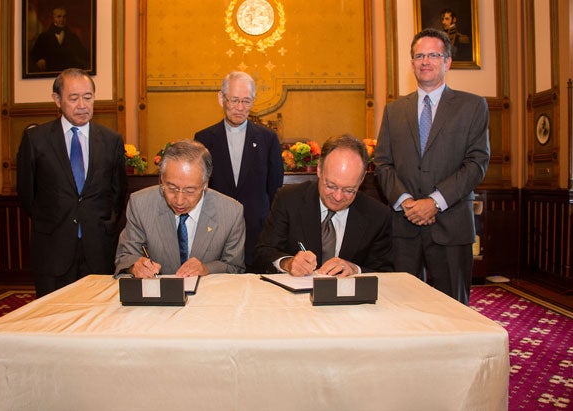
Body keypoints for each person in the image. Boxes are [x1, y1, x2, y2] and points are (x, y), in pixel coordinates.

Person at [374, 28, 490, 305]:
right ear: (412, 63)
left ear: (447, 61)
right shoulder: (394, 110)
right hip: (405, 225)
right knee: (402, 306)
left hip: (451, 225)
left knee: (451, 308)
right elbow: (382, 162)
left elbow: (477, 162)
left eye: (433, 55)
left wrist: (435, 202)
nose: (425, 61)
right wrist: (407, 202)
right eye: (419, 56)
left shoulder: (472, 106)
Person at [16, 68, 127, 297]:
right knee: (52, 319)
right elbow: (27, 194)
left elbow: (118, 194)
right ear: (57, 100)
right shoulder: (35, 140)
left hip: (98, 248)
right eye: (73, 98)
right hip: (52, 248)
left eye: (88, 97)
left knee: (98, 318)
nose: (82, 105)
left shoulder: (111, 140)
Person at [254, 134, 393, 276]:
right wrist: (287, 263)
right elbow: (263, 253)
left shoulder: (378, 215)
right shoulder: (289, 199)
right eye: (331, 186)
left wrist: (355, 269)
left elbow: (385, 272)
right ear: (319, 169)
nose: (338, 197)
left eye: (349, 190)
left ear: (362, 179)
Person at [114, 140, 246, 278]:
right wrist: (134, 267)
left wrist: (207, 268)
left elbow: (235, 267)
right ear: (161, 179)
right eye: (171, 188)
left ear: (205, 184)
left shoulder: (231, 212)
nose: (179, 200)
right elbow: (125, 257)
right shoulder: (140, 204)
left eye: (190, 190)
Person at [194, 71, 283, 272]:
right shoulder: (204, 138)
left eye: (246, 101)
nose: (240, 108)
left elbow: (275, 189)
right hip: (216, 230)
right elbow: (200, 188)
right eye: (234, 100)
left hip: (256, 232)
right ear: (221, 98)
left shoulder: (268, 139)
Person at [29, 6, 89, 73]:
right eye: (59, 16)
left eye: (64, 17)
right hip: (48, 74)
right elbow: (33, 55)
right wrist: (39, 60)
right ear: (53, 18)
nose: (62, 19)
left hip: (68, 74)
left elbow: (83, 54)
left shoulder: (73, 37)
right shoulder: (43, 37)